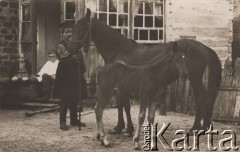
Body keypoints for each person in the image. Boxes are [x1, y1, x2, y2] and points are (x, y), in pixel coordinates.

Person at [54, 21, 88, 131]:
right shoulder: (60, 45)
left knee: (75, 98)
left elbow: (80, 59)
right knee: (64, 99)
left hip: (75, 75)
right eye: (67, 32)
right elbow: (64, 58)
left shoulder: (76, 45)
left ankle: (73, 119)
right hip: (64, 76)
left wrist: (81, 67)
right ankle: (62, 121)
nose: (69, 34)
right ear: (62, 34)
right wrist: (73, 58)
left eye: (71, 32)